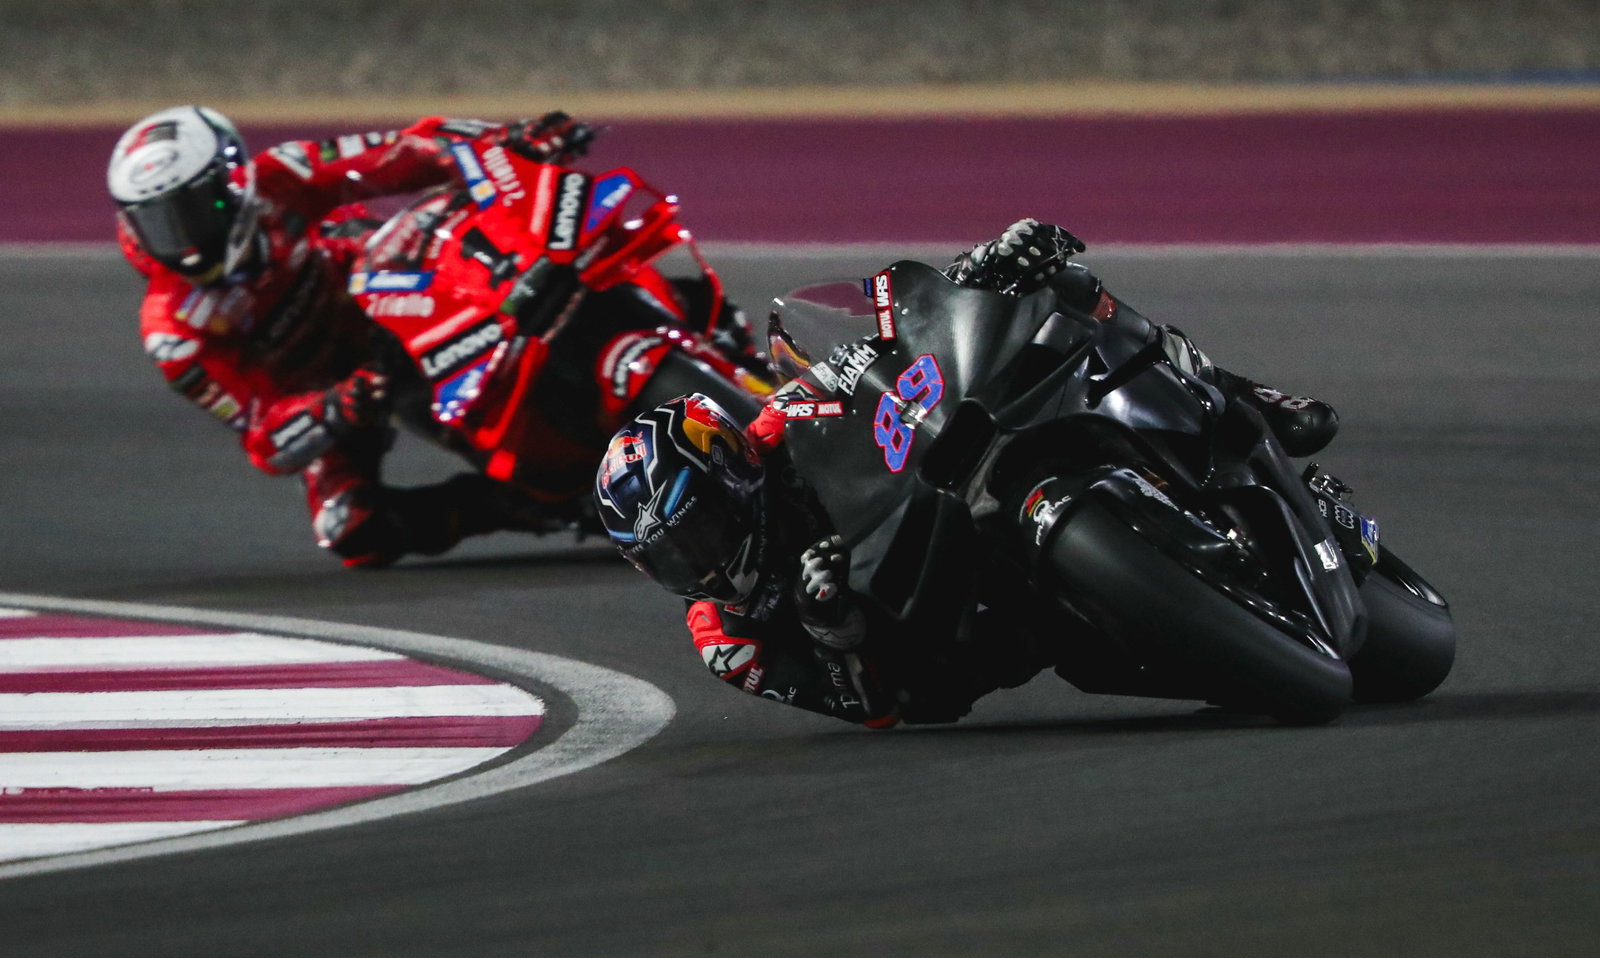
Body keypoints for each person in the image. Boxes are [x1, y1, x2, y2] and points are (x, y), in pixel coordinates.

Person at [593, 220, 1340, 728]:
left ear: (730, 472)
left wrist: (974, 274)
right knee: (1051, 666)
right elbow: (871, 710)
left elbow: (871, 355)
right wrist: (832, 627)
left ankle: (1243, 394)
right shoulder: (726, 640)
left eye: (697, 531)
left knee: (1064, 286)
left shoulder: (772, 429)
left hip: (935, 497)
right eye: (671, 560)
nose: (700, 564)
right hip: (943, 635)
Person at [109, 105, 600, 566]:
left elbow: (401, 152)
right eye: (158, 223)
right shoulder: (173, 332)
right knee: (350, 530)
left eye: (192, 212)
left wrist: (507, 140)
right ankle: (531, 504)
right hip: (338, 389)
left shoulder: (282, 173)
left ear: (231, 183)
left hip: (387, 286)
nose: (185, 243)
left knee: (478, 226)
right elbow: (265, 438)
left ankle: (602, 288)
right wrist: (336, 406)